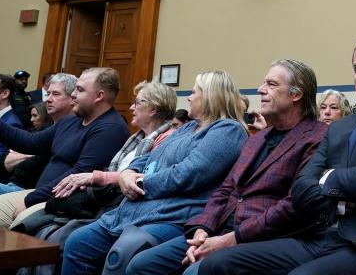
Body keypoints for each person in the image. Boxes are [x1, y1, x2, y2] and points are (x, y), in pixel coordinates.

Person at [196, 36, 356, 275]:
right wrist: (355, 182)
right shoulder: (340, 127)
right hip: (315, 235)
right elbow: (301, 188)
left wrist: (327, 178)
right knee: (217, 264)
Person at [125, 59, 329, 275]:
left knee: (193, 273)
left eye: (271, 84)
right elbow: (226, 190)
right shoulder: (257, 139)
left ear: (296, 94)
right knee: (141, 266)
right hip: (219, 229)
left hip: (263, 237)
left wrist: (231, 239)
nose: (261, 89)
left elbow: (293, 204)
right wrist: (203, 228)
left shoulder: (317, 137)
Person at [60, 71, 248, 275]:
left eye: (194, 92)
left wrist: (139, 183)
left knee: (122, 255)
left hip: (173, 216)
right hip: (134, 211)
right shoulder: (188, 128)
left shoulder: (228, 130)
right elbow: (148, 157)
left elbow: (188, 174)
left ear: (211, 96)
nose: (189, 97)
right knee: (77, 243)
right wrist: (128, 172)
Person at [0, 68, 129, 227]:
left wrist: (31, 199)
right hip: (40, 193)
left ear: (99, 96)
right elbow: (30, 142)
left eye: (80, 90)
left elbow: (78, 174)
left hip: (61, 200)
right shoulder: (71, 121)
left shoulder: (110, 128)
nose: (74, 95)